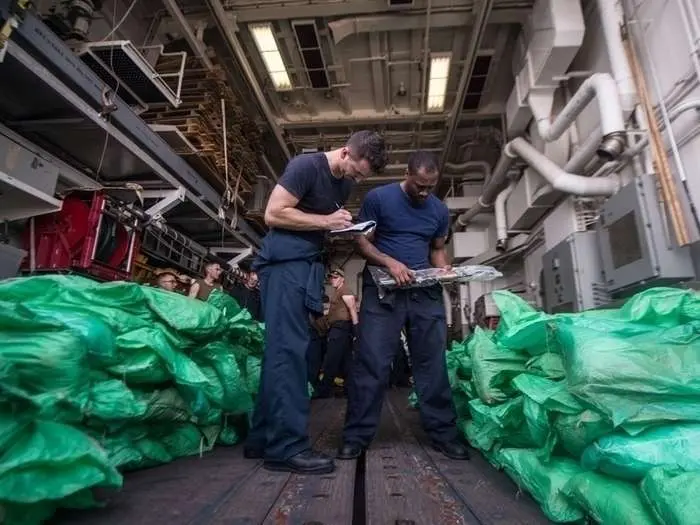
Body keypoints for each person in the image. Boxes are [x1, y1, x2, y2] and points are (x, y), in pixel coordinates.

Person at [243, 131, 388, 475]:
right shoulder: (305, 166)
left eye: (363, 177)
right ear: (344, 152)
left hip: (306, 267)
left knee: (281, 351)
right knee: (290, 353)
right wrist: (326, 221)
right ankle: (286, 448)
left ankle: (263, 438)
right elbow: (274, 213)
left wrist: (343, 230)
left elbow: (315, 224)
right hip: (284, 266)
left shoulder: (342, 184)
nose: (357, 179)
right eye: (356, 171)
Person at [337, 150, 469, 461]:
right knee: (372, 362)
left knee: (432, 363)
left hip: (424, 292)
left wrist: (445, 270)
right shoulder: (379, 198)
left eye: (430, 186)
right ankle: (356, 436)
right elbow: (362, 241)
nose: (424, 192)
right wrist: (390, 262)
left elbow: (437, 250)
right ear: (407, 175)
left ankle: (443, 434)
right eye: (419, 185)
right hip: (384, 291)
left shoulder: (438, 210)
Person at [315, 268, 358, 398]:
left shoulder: (345, 290)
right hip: (339, 329)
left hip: (341, 329)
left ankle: (324, 391)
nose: (332, 280)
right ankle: (350, 389)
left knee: (331, 360)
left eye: (336, 277)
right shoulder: (337, 292)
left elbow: (353, 309)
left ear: (342, 279)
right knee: (346, 362)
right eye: (331, 278)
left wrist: (356, 328)